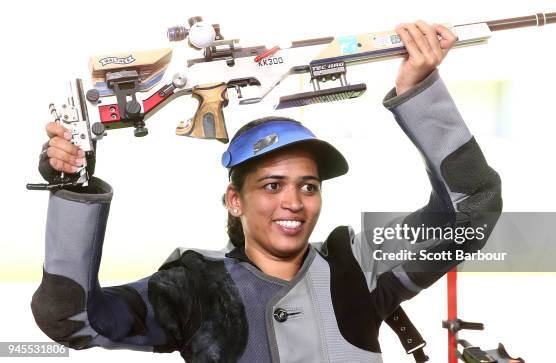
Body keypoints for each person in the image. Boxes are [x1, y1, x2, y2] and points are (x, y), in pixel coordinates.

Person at [31, 21, 502, 362]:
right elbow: (73, 319)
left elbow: (471, 211)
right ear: (234, 199)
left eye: (308, 186)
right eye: (272, 185)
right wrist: (73, 185)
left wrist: (419, 92)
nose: (293, 202)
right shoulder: (195, 285)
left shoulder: (356, 267)